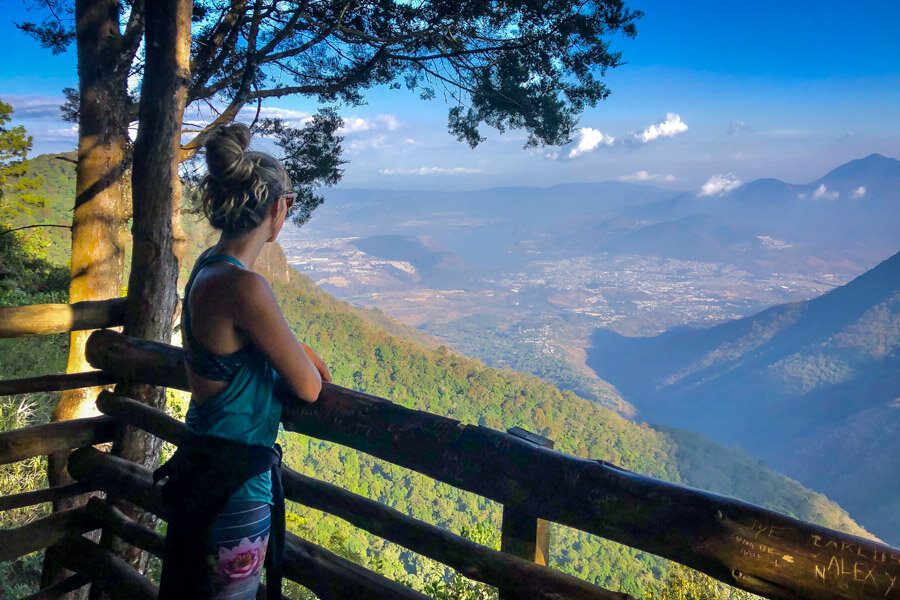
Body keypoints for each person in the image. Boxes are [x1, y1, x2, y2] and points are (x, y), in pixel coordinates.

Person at [156, 123, 331, 599]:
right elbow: (310, 388)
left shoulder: (209, 266)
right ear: (277, 208)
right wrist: (303, 356)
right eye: (289, 203)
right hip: (237, 482)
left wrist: (292, 350)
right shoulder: (244, 287)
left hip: (202, 465)